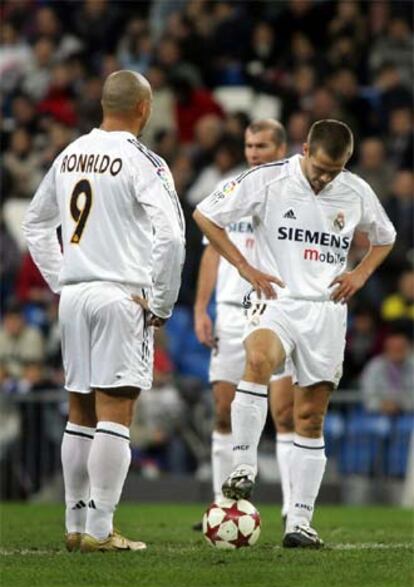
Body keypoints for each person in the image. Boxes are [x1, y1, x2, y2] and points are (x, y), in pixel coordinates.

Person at [194, 119, 396, 548]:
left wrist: (360, 273)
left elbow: (385, 237)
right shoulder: (267, 179)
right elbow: (205, 215)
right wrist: (246, 268)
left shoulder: (356, 191)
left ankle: (299, 522)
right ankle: (244, 466)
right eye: (320, 167)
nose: (325, 176)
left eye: (334, 170)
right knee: (257, 360)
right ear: (304, 149)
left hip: (325, 312)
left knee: (309, 418)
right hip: (277, 300)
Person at [23, 70, 185, 552]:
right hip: (120, 294)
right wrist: (161, 302)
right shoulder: (143, 160)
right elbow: (172, 236)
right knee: (116, 411)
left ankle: (74, 524)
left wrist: (62, 281)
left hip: (75, 296)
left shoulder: (70, 153)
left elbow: (36, 225)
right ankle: (100, 530)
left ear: (103, 104)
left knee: (80, 410)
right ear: (144, 108)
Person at [194, 119, 295, 528]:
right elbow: (211, 254)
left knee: (285, 413)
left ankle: (294, 508)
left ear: (282, 148)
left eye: (263, 145)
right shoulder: (230, 190)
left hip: (277, 308)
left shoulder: (295, 190)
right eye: (250, 146)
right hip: (232, 310)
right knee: (223, 409)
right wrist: (202, 307)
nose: (253, 152)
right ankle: (224, 506)